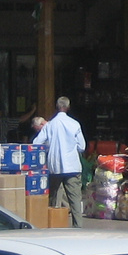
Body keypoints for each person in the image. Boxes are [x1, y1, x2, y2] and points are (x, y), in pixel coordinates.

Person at [34, 96, 87, 228]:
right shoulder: (74, 124)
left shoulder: (50, 125)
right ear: (68, 107)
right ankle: (78, 227)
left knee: (54, 199)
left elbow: (36, 143)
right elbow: (82, 146)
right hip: (72, 166)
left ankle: (54, 225)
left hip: (54, 166)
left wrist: (49, 147)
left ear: (56, 107)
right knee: (74, 199)